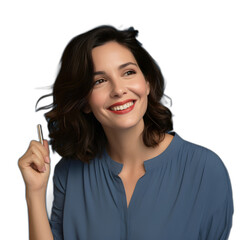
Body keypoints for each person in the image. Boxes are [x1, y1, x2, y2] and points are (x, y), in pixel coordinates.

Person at [18, 25, 234, 240]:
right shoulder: (69, 173)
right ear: (84, 102)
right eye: (99, 81)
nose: (119, 89)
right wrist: (35, 193)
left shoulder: (205, 170)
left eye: (128, 72)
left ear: (147, 83)